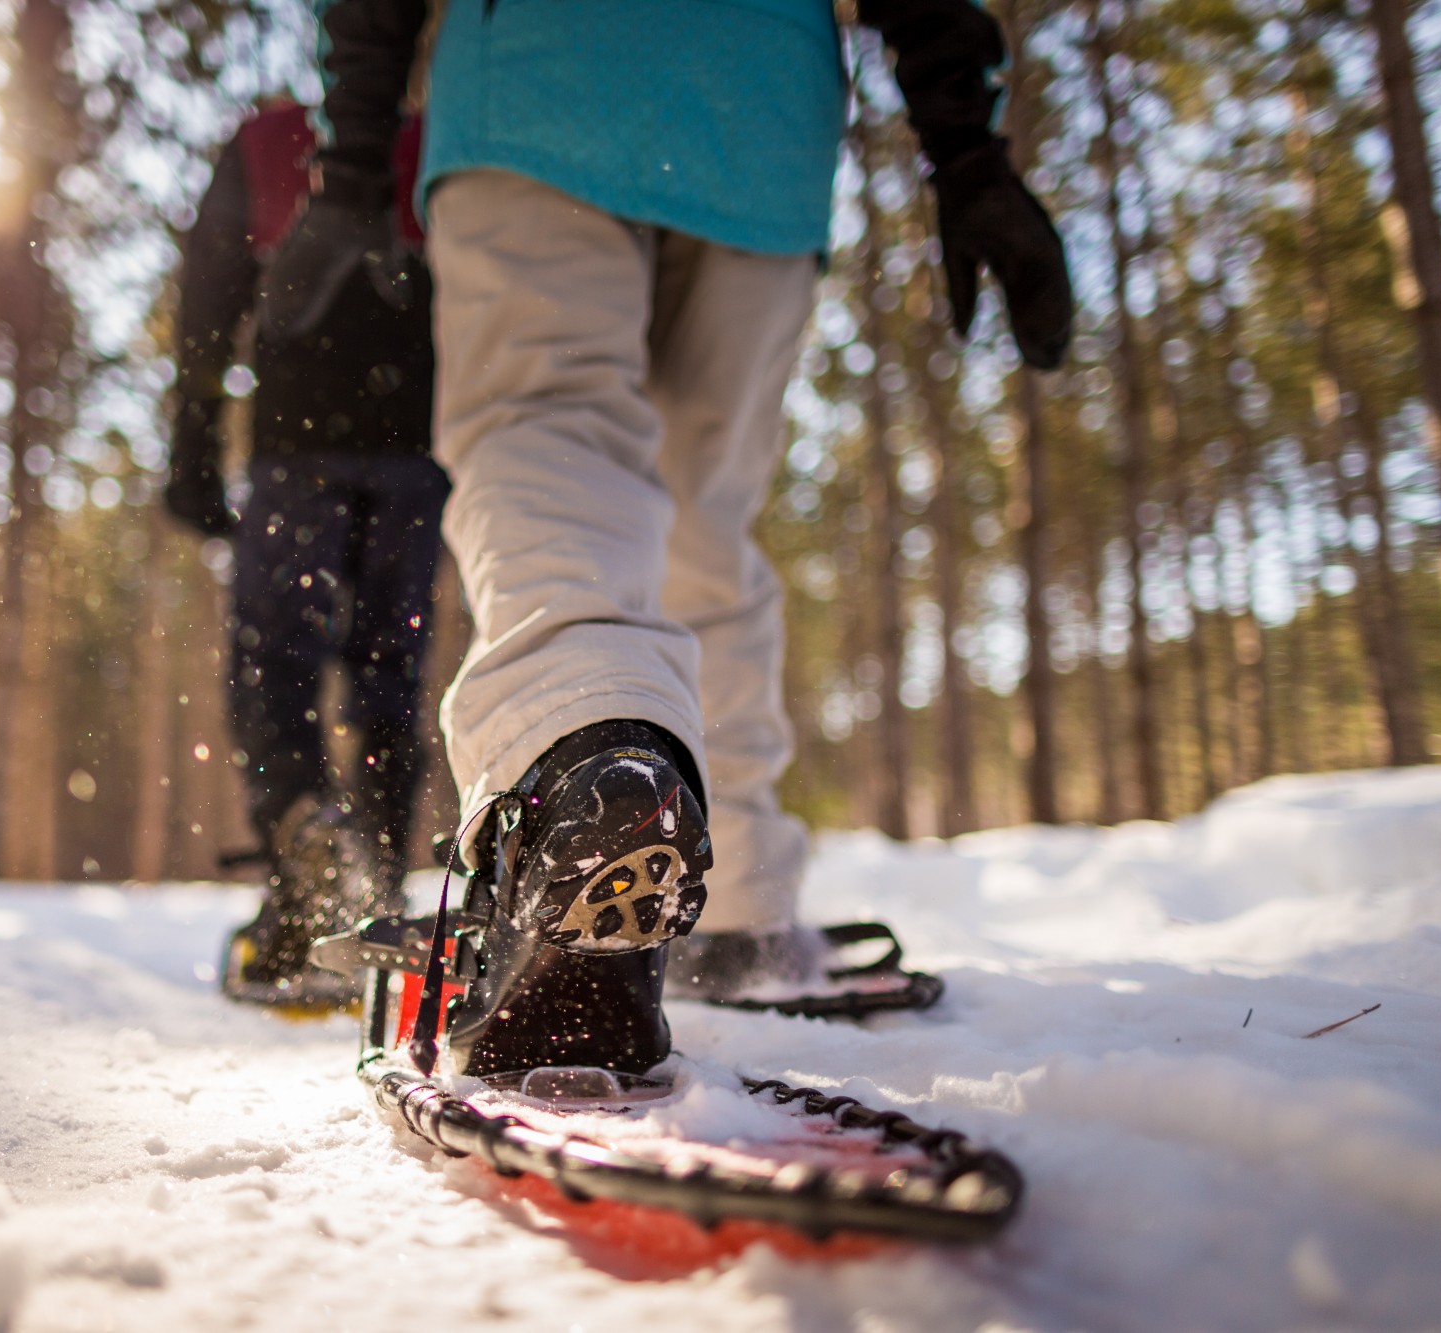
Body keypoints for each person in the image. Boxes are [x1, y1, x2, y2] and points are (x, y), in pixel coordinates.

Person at [263, 0, 1073, 1073]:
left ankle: (582, 777)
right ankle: (731, 901)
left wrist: (352, 159)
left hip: (535, 87)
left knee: (544, 429)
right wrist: (965, 152)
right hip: (757, 120)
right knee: (706, 510)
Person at [165, 100, 448, 1007]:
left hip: (295, 449)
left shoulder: (271, 141)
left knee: (273, 664)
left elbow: (209, 301)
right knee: (388, 673)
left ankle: (304, 866)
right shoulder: (440, 138)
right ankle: (372, 899)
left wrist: (195, 446)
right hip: (415, 455)